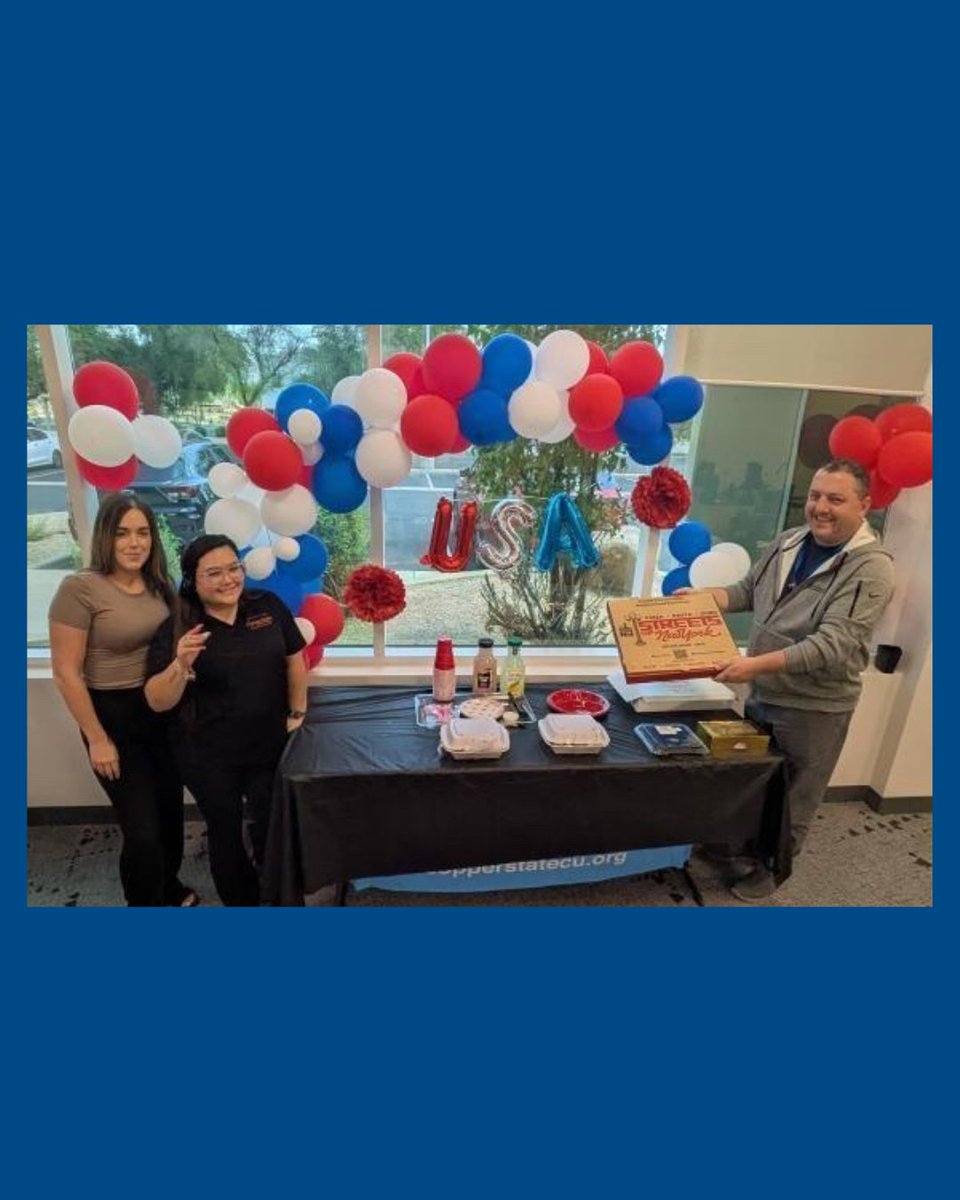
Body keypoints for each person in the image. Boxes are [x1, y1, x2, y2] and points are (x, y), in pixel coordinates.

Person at [686, 458, 896, 902]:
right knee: (752, 782)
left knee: (795, 795)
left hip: (816, 707)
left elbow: (832, 645)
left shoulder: (871, 568)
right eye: (817, 496)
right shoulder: (788, 542)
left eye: (836, 499)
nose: (821, 507)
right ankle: (734, 850)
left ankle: (773, 869)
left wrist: (752, 665)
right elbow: (748, 591)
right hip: (764, 693)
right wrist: (705, 598)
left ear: (865, 505)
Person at [48, 493, 197, 907]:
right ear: (105, 539)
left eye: (143, 533)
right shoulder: (80, 588)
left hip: (158, 713)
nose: (135, 543)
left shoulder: (159, 585)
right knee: (142, 832)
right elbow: (66, 672)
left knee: (169, 817)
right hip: (110, 718)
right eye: (123, 533)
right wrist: (96, 737)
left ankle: (168, 886)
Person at [145, 535, 307, 906]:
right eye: (213, 573)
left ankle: (280, 896)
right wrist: (179, 664)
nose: (227, 579)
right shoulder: (179, 627)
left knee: (274, 826)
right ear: (192, 579)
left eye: (233, 568)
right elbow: (156, 700)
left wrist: (297, 712)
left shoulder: (267, 606)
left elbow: (295, 659)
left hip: (268, 747)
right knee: (225, 834)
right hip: (207, 756)